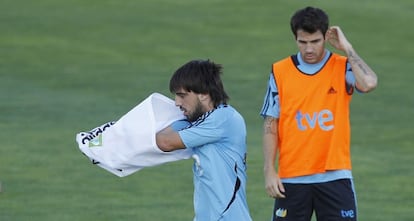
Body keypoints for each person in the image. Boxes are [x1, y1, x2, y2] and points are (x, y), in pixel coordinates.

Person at [260, 6, 378, 221]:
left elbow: (369, 83)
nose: (309, 49)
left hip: (335, 177)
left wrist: (347, 47)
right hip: (292, 178)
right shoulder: (280, 70)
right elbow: (271, 122)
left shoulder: (343, 67)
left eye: (315, 41)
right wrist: (269, 170)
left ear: (325, 37)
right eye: (302, 42)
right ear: (295, 38)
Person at [156, 59, 252, 221]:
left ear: (203, 94)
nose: (177, 103)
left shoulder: (222, 119)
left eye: (182, 96)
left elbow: (165, 142)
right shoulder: (204, 121)